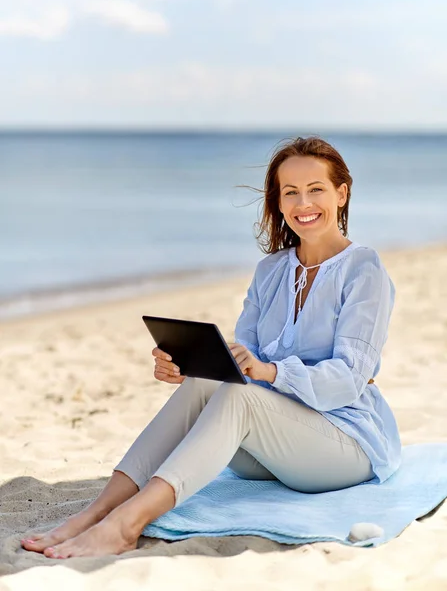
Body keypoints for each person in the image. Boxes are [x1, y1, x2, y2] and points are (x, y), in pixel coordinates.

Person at [21, 135, 401, 559]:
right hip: (278, 446)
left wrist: (270, 372)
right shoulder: (271, 270)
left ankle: (126, 525)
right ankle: (96, 511)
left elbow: (349, 379)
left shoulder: (363, 269)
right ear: (277, 202)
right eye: (290, 192)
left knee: (241, 398)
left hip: (345, 445)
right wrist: (193, 366)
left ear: (341, 193)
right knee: (205, 385)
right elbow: (247, 359)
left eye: (316, 189)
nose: (303, 203)